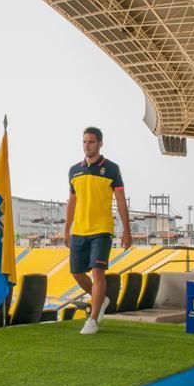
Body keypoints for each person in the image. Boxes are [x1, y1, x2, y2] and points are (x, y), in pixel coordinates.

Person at [64, 127, 131, 335]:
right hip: (79, 230)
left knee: (97, 271)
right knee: (76, 272)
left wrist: (126, 231)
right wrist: (66, 229)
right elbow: (72, 202)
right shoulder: (74, 171)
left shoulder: (112, 169)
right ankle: (101, 299)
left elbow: (121, 202)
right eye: (84, 142)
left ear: (100, 143)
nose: (87, 146)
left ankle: (92, 320)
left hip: (102, 229)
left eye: (91, 142)